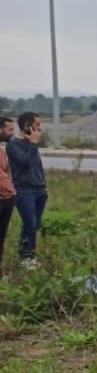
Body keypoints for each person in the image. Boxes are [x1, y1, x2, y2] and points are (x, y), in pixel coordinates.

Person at [7, 112, 47, 269]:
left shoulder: (31, 145)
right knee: (29, 223)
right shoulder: (13, 145)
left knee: (35, 225)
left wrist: (44, 184)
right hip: (24, 191)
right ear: (27, 126)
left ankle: (26, 251)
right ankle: (27, 257)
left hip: (40, 190)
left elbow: (37, 166)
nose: (40, 129)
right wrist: (33, 144)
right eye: (37, 125)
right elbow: (25, 162)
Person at [0, 116, 15, 278]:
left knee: (1, 237)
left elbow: (6, 173)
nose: (12, 133)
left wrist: (11, 190)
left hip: (7, 199)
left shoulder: (2, 151)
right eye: (9, 129)